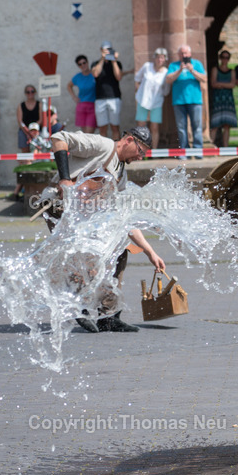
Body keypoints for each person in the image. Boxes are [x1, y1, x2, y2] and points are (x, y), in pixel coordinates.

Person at [47, 126, 164, 333]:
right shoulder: (103, 146)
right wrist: (65, 179)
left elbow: (123, 220)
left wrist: (150, 251)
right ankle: (74, 305)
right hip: (60, 208)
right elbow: (59, 138)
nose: (140, 157)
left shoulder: (120, 175)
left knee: (119, 250)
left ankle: (108, 316)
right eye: (140, 150)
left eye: (143, 153)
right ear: (128, 140)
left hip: (85, 215)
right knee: (84, 257)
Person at [165, 45, 207, 151]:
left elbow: (204, 78)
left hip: (195, 100)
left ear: (190, 54)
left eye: (186, 53)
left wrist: (192, 70)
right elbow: (168, 80)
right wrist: (179, 70)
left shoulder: (197, 64)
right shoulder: (174, 65)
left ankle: (198, 151)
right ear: (178, 55)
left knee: (197, 127)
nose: (184, 55)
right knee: (181, 128)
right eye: (182, 53)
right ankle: (184, 150)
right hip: (179, 101)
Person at [134, 48, 169, 148]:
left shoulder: (166, 72)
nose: (160, 60)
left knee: (154, 127)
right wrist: (140, 92)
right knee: (141, 126)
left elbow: (166, 91)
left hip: (156, 102)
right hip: (143, 100)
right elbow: (137, 79)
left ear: (165, 59)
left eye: (162, 58)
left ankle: (154, 151)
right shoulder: (147, 66)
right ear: (155, 58)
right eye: (158, 57)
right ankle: (140, 150)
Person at [92, 41, 123, 139]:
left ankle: (116, 151)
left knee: (115, 127)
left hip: (114, 97)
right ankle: (105, 152)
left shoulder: (117, 63)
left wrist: (113, 60)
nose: (107, 52)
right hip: (100, 99)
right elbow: (95, 74)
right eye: (105, 50)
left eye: (109, 50)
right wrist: (102, 59)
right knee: (102, 128)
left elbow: (118, 77)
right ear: (101, 51)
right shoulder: (96, 63)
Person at [210, 50, 238, 147]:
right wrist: (226, 85)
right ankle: (210, 146)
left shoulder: (232, 71)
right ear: (220, 58)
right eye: (223, 57)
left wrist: (220, 84)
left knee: (227, 125)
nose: (225, 59)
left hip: (228, 100)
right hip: (218, 99)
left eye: (227, 57)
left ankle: (225, 147)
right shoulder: (215, 69)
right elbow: (213, 83)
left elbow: (233, 84)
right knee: (215, 124)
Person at [68, 55, 97, 134]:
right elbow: (69, 86)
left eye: (84, 63)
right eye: (80, 64)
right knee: (85, 135)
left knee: (89, 134)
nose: (83, 65)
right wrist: (74, 97)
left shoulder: (94, 75)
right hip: (81, 107)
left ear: (87, 62)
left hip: (92, 106)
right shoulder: (78, 77)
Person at [17, 85, 41, 152]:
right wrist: (28, 132)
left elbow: (41, 120)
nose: (30, 93)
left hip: (37, 130)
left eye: (32, 91)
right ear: (25, 93)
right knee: (25, 152)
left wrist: (33, 130)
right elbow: (20, 121)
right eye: (28, 92)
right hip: (24, 131)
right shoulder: (21, 106)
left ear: (35, 92)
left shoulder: (39, 104)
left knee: (37, 151)